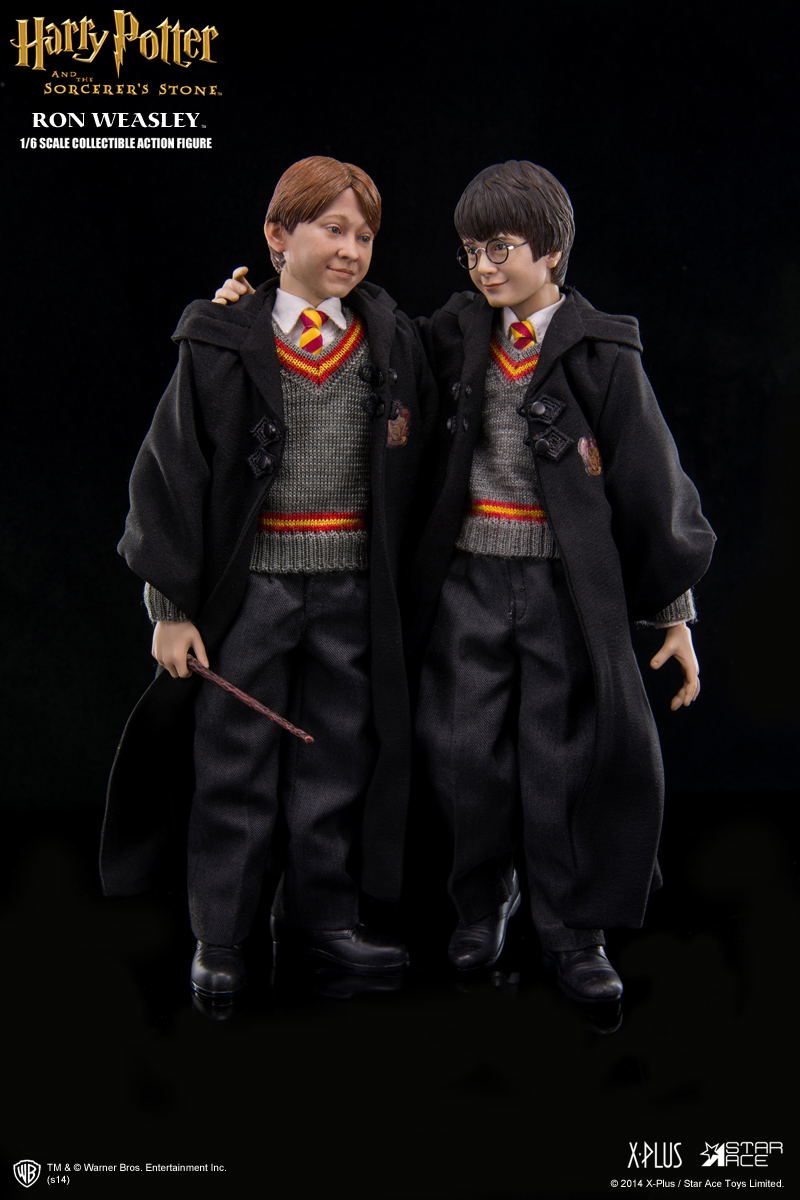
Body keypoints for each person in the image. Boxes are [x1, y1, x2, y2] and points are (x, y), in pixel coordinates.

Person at [211, 159, 716, 1008]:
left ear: (551, 251)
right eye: (472, 252)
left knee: (558, 761)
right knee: (460, 754)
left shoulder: (602, 354)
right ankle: (480, 905)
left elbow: (650, 482)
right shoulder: (454, 334)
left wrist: (673, 611)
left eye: (501, 248)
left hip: (558, 589)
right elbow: (358, 326)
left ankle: (572, 934)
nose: (484, 267)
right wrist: (247, 312)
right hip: (467, 584)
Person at [101, 156, 435, 1000]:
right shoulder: (224, 341)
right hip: (252, 593)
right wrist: (170, 606)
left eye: (365, 235)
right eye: (332, 228)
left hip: (351, 590)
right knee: (234, 762)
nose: (351, 249)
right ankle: (222, 933)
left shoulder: (389, 337)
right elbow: (170, 472)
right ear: (278, 235)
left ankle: (322, 922)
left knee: (336, 760)